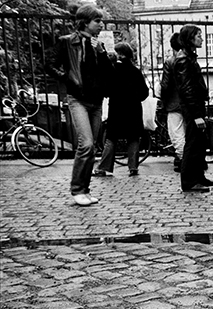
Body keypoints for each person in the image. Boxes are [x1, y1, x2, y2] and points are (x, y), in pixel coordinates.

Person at [46, 3, 113, 206]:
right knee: (86, 144)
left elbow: (108, 73)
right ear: (85, 22)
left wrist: (102, 54)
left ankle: (85, 190)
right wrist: (67, 79)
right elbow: (49, 65)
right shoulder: (66, 42)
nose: (101, 24)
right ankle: (77, 190)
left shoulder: (97, 46)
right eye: (98, 21)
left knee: (92, 148)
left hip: (96, 101)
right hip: (78, 100)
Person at [93, 43, 148, 178]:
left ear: (121, 54)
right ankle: (133, 167)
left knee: (111, 138)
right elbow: (144, 92)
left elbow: (106, 90)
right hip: (133, 108)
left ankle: (104, 167)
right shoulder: (135, 71)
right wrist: (135, 98)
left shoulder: (113, 70)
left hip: (117, 108)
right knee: (133, 137)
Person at [175, 24, 213, 192]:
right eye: (198, 36)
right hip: (192, 107)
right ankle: (189, 181)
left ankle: (198, 176)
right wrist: (197, 114)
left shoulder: (189, 57)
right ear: (190, 38)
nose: (202, 39)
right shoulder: (184, 59)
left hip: (195, 105)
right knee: (192, 143)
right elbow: (187, 89)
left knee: (199, 142)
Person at [160, 32, 185, 173]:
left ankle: (183, 160)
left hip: (174, 103)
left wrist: (163, 101)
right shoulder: (190, 60)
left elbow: (165, 85)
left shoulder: (170, 61)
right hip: (188, 104)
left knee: (177, 135)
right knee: (187, 134)